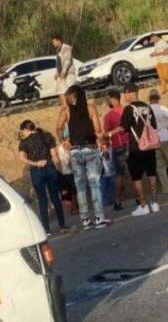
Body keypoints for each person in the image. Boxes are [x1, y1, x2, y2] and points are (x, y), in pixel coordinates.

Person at [57, 85, 109, 229]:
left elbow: (58, 127)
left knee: (80, 187)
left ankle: (85, 220)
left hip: (74, 151)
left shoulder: (66, 111)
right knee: (94, 184)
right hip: (90, 148)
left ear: (72, 96)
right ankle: (99, 218)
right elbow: (97, 129)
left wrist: (63, 141)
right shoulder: (90, 108)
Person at [17, 120, 69, 235]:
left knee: (42, 200)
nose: (23, 133)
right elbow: (54, 154)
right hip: (50, 168)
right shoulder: (46, 136)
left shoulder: (24, 142)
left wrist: (35, 163)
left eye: (23, 131)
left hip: (36, 171)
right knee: (55, 197)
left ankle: (46, 229)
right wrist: (58, 169)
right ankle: (62, 225)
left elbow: (22, 158)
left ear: (26, 130)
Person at [119, 83, 161, 216]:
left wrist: (109, 133)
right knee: (151, 174)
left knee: (136, 177)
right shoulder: (148, 107)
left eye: (125, 93)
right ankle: (155, 203)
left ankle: (143, 205)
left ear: (129, 93)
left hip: (136, 148)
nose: (124, 96)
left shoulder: (128, 109)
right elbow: (154, 125)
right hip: (150, 146)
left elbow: (123, 128)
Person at [101, 90, 130, 211]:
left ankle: (118, 201)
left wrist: (104, 144)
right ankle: (140, 198)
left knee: (119, 175)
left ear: (112, 99)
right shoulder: (127, 111)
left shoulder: (109, 115)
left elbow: (105, 135)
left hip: (119, 146)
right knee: (134, 172)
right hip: (131, 144)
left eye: (108, 100)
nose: (107, 102)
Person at [51, 34, 76, 108]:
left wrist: (64, 72)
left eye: (54, 42)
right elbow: (59, 62)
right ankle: (65, 107)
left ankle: (74, 106)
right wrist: (57, 72)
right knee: (60, 91)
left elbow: (67, 61)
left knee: (70, 91)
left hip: (68, 73)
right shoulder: (57, 50)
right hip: (61, 75)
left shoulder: (66, 48)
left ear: (59, 40)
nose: (53, 44)